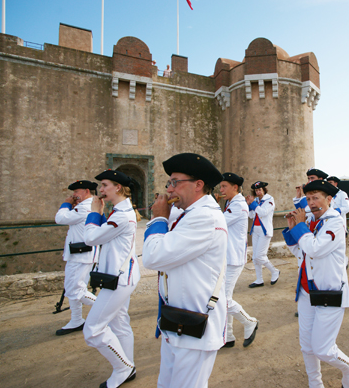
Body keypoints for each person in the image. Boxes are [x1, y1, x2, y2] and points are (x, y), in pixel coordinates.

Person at [142, 153, 227, 388]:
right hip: (177, 320)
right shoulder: (189, 213)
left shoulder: (205, 217)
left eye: (175, 183)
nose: (169, 190)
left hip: (195, 325)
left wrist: (158, 219)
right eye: (169, 183)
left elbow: (152, 257)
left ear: (198, 185)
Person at [283, 180, 349, 388]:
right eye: (308, 199)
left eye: (316, 198)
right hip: (307, 291)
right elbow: (302, 253)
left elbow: (315, 249)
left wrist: (300, 228)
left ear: (328, 199)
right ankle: (315, 384)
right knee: (307, 347)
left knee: (323, 349)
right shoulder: (311, 223)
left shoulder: (335, 222)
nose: (311, 203)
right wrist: (293, 231)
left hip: (329, 292)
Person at [83, 169, 140, 388]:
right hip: (118, 276)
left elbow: (90, 238)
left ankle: (123, 368)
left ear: (117, 187)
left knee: (93, 330)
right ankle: (128, 366)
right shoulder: (120, 211)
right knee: (120, 323)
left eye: (105, 185)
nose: (101, 190)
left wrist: (94, 212)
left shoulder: (122, 216)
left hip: (118, 279)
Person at [218, 172, 259, 348]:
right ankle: (227, 336)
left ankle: (249, 321)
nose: (220, 190)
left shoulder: (239, 205)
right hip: (227, 257)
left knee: (223, 300)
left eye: (224, 186)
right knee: (224, 297)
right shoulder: (231, 203)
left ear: (235, 187)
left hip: (233, 258)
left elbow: (217, 222)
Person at [54, 180, 99, 336]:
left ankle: (107, 310)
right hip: (78, 254)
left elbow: (59, 219)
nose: (74, 196)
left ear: (86, 191)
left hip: (81, 255)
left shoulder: (85, 207)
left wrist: (66, 204)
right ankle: (76, 319)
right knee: (73, 288)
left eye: (77, 192)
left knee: (76, 290)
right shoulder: (86, 206)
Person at [246, 181, 280, 288]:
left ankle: (274, 271)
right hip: (255, 230)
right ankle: (259, 279)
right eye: (256, 190)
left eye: (260, 190)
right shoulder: (255, 200)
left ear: (264, 190)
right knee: (255, 257)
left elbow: (263, 212)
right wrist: (249, 206)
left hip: (264, 230)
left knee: (260, 256)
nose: (258, 192)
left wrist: (253, 204)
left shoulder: (269, 200)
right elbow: (252, 216)